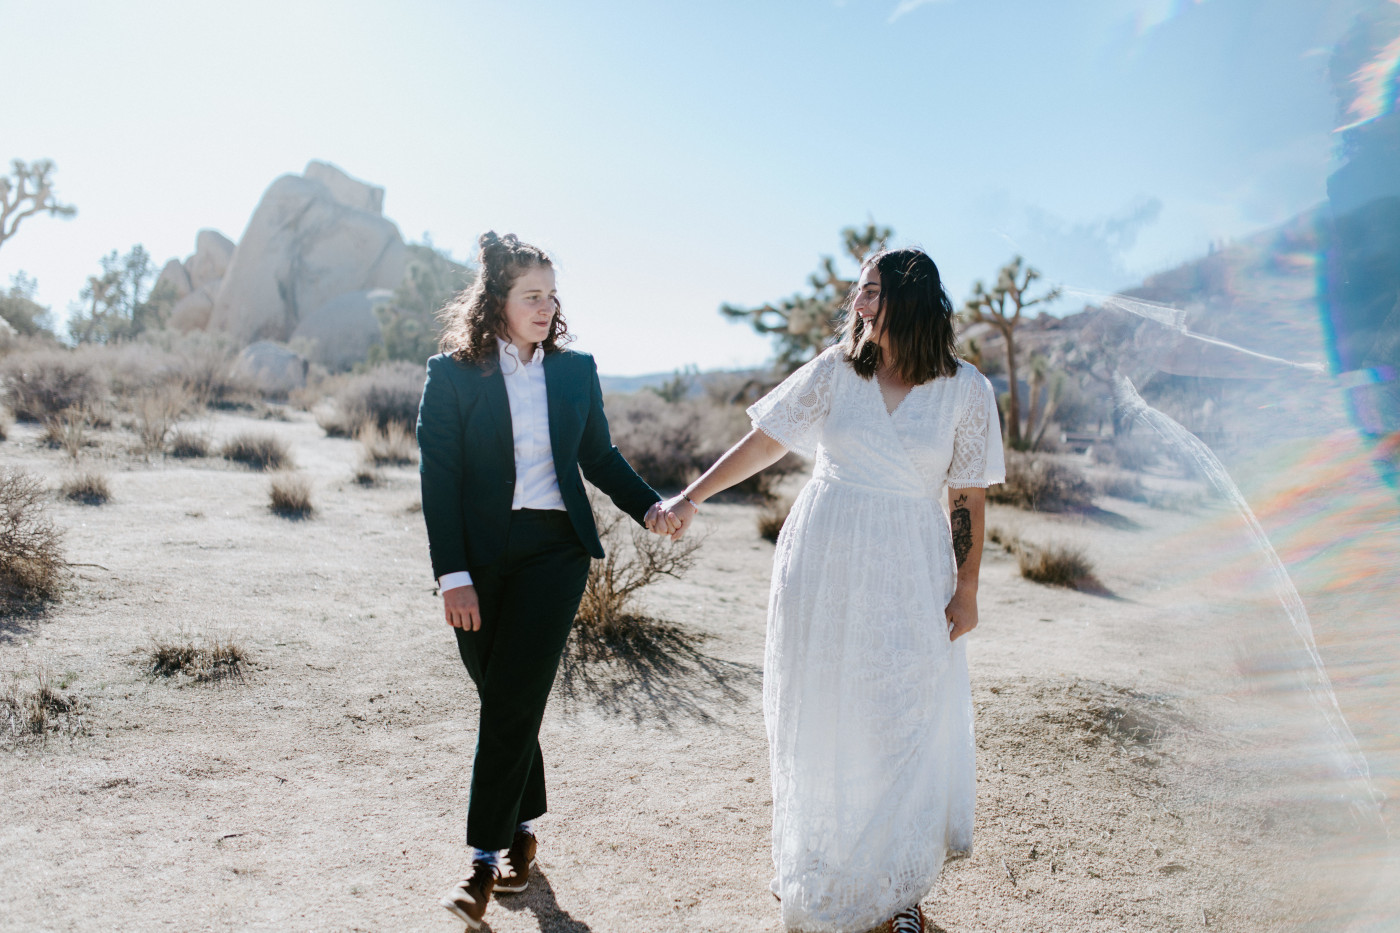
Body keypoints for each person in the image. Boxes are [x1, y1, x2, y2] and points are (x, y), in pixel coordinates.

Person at [651, 247, 1005, 933]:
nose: (858, 304)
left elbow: (966, 495)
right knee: (827, 711)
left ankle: (899, 891)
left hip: (910, 563)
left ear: (907, 299)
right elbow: (766, 441)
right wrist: (693, 495)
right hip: (826, 558)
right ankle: (826, 864)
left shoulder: (967, 391)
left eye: (871, 291)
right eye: (857, 291)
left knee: (903, 718)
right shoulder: (837, 371)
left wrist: (967, 587)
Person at [416, 231, 668, 930]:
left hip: (554, 553)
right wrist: (452, 575)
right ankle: (525, 823)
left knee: (511, 698)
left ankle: (480, 863)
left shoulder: (575, 371)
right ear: (495, 301)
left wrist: (650, 505)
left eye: (553, 296)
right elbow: (439, 480)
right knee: (502, 695)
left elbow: (600, 456)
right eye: (533, 295)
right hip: (480, 560)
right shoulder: (453, 375)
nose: (547, 308)